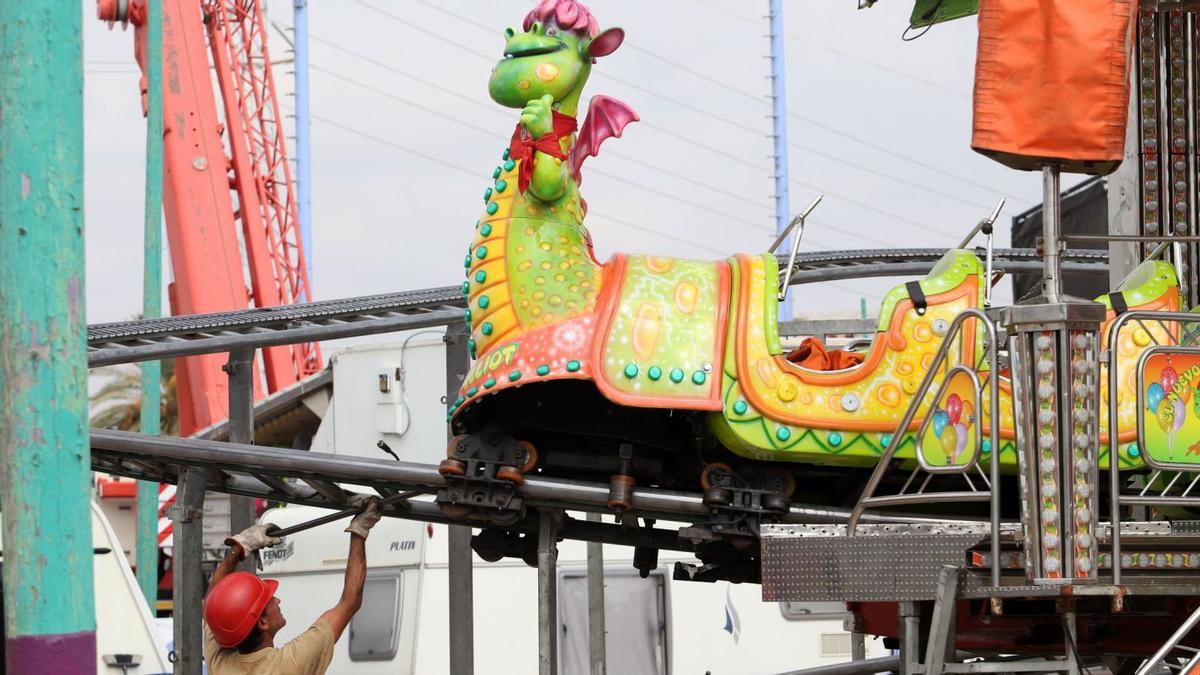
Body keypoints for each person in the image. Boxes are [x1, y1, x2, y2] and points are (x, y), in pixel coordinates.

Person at [201, 497, 382, 674]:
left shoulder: (220, 665)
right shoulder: (290, 664)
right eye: (270, 600)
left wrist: (240, 546)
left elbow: (214, 608)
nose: (277, 600)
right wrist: (360, 529)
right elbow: (349, 602)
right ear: (262, 622)